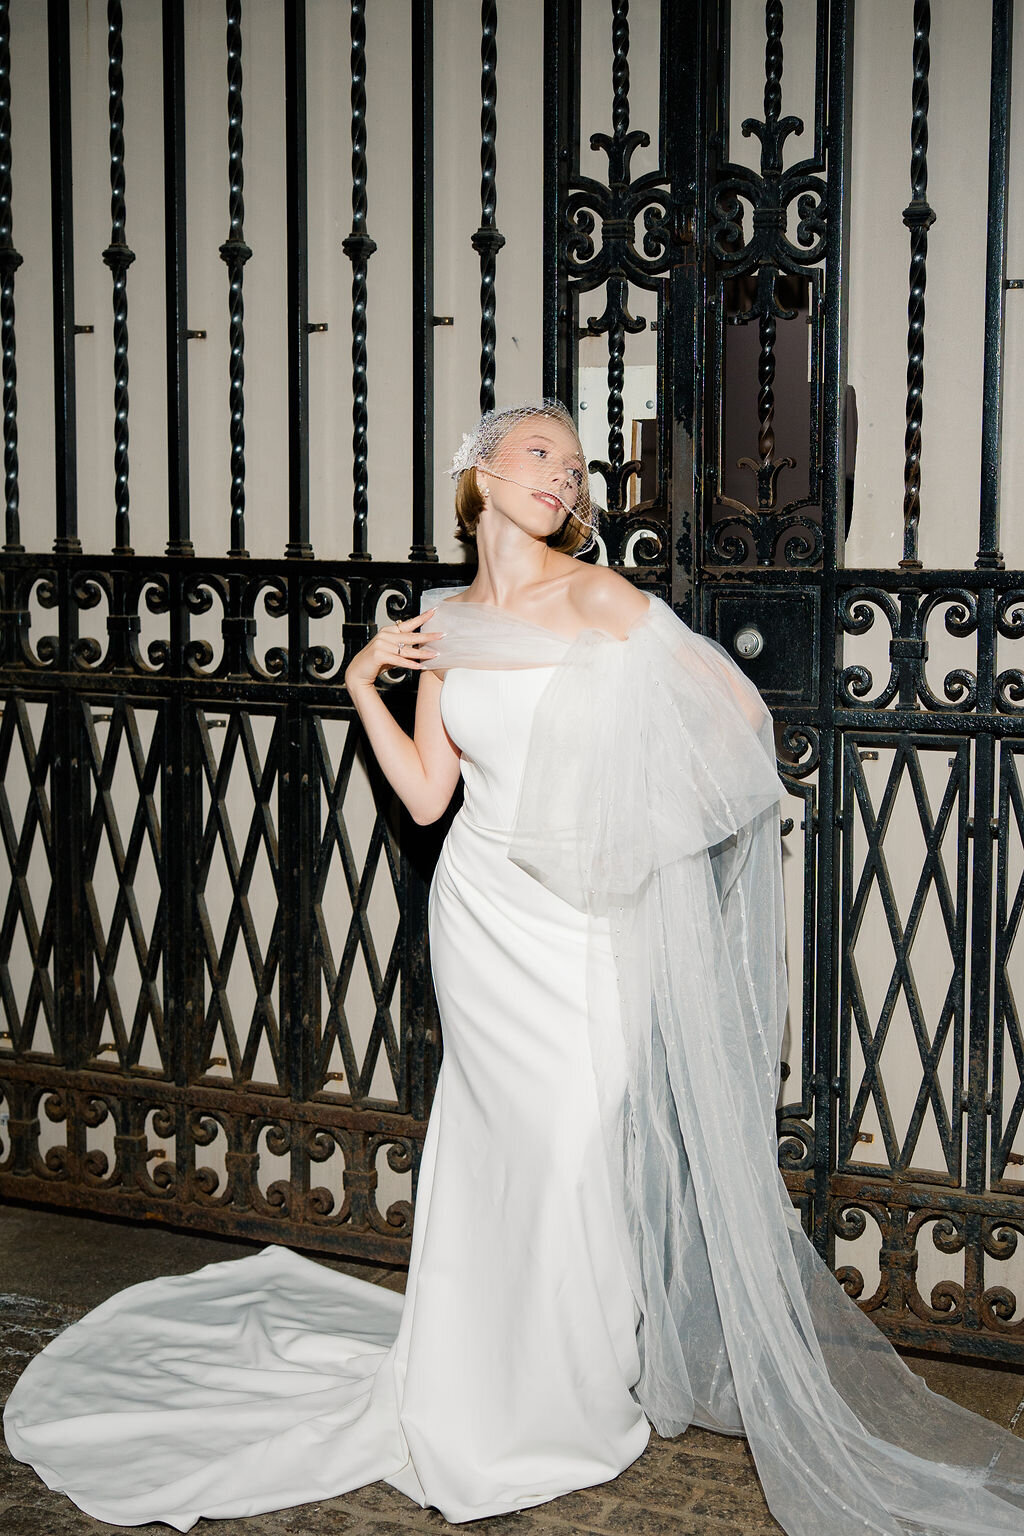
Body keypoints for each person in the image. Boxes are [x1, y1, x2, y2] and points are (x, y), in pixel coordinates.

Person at [5, 400, 1024, 1536]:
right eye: (540, 454)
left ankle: (574, 1386)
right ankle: (488, 1380)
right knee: (503, 1147)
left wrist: (615, 820)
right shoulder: (445, 619)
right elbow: (431, 794)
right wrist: (360, 688)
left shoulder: (600, 598)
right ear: (479, 473)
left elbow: (735, 722)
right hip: (480, 914)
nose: (562, 477)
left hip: (591, 926)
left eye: (575, 467)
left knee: (577, 1147)